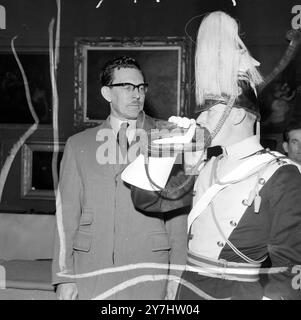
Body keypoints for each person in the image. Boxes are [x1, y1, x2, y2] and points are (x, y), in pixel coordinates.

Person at [130, 11, 301, 300]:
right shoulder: (207, 165)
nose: (202, 120)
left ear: (236, 117)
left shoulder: (282, 175)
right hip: (190, 290)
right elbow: (146, 200)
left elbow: (291, 269)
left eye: (210, 111)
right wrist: (163, 146)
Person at [52, 56, 190, 300]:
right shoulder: (78, 145)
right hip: (92, 271)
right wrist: (64, 277)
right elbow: (66, 219)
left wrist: (177, 276)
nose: (136, 94)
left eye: (140, 87)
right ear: (107, 93)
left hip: (149, 271)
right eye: (127, 87)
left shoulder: (167, 139)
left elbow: (178, 220)